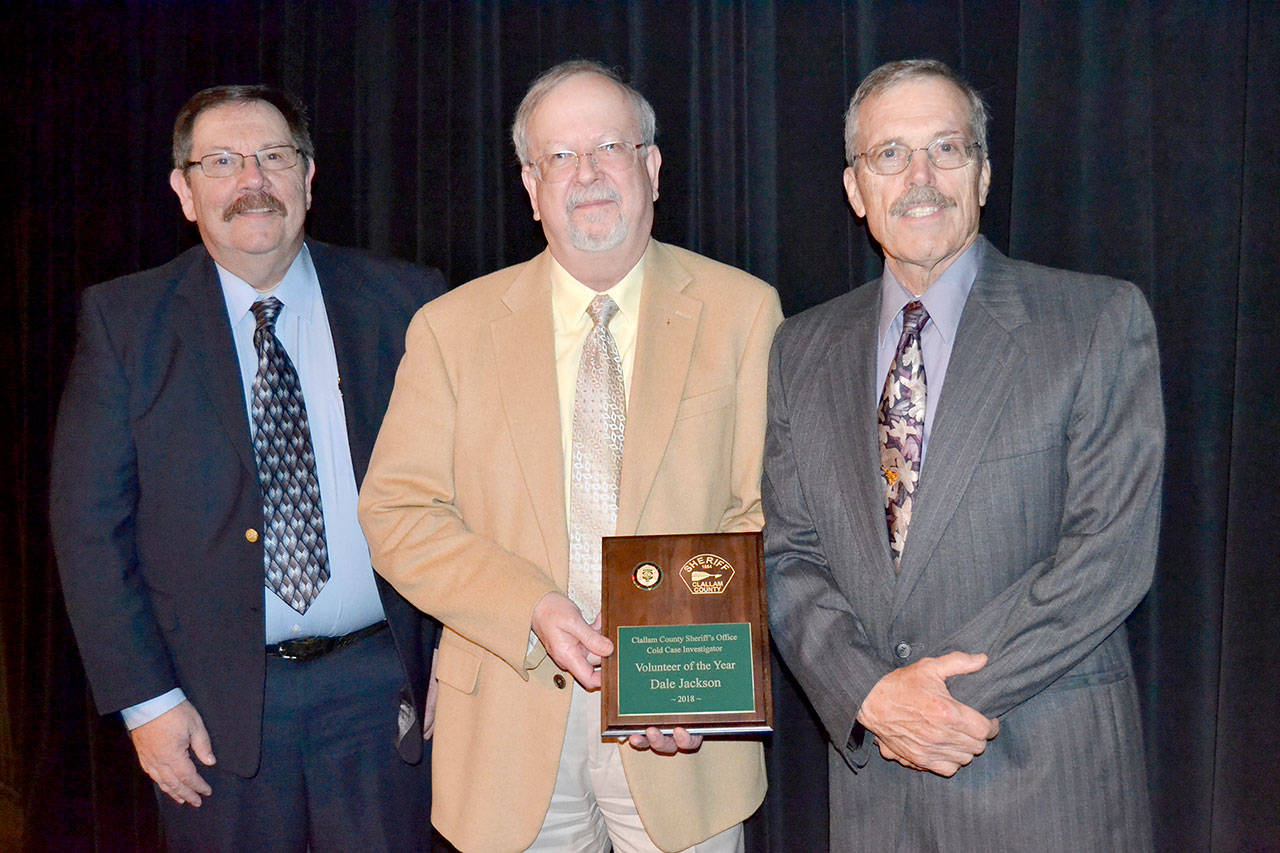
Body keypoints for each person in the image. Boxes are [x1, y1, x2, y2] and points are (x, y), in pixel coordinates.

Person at [358, 60, 780, 853]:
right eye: (559, 156)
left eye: (610, 146)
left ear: (651, 166)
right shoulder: (450, 330)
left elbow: (762, 509)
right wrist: (531, 607)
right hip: (507, 725)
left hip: (682, 728)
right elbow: (396, 512)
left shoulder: (743, 311)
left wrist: (698, 672)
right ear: (530, 185)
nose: (586, 173)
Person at [762, 59, 1162, 849]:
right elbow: (788, 557)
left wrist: (937, 705)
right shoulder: (799, 349)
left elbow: (1108, 555)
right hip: (877, 793)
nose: (920, 177)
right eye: (890, 155)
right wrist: (871, 695)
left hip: (1045, 775)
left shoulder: (1094, 321)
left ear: (981, 174)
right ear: (855, 189)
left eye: (945, 150)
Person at [49, 84, 445, 851]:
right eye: (221, 161)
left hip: (381, 697)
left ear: (309, 176)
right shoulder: (126, 324)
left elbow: (466, 489)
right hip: (212, 713)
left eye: (273, 157)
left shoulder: (405, 301)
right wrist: (146, 701)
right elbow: (89, 526)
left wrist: (456, 657)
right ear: (184, 190)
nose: (251, 181)